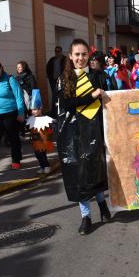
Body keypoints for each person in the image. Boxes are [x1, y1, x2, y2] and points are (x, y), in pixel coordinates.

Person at [57, 39, 111, 234]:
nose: (80, 58)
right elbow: (68, 104)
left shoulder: (99, 76)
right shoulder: (64, 79)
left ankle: (102, 204)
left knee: (94, 169)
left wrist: (104, 94)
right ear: (70, 57)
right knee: (79, 173)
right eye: (77, 54)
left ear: (89, 56)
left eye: (84, 54)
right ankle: (86, 216)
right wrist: (93, 95)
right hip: (74, 132)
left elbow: (112, 99)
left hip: (95, 129)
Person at [25, 89, 54, 175]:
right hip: (35, 141)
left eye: (35, 109)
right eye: (32, 110)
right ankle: (42, 166)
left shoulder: (45, 119)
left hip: (42, 141)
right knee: (37, 155)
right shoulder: (31, 119)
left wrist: (47, 141)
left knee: (42, 155)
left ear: (40, 109)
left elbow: (48, 131)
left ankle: (46, 166)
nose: (33, 111)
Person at [46, 46, 65, 115]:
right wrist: (49, 77)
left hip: (62, 81)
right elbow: (47, 68)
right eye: (55, 51)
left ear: (61, 51)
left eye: (58, 51)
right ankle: (54, 112)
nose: (57, 52)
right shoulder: (52, 59)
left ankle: (61, 111)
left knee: (61, 96)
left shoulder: (65, 59)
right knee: (54, 96)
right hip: (53, 81)